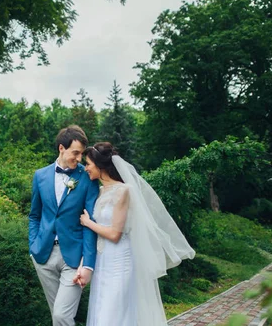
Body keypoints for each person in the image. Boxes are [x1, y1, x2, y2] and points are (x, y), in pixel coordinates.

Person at [74, 142, 195, 325]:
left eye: (89, 164)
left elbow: (115, 233)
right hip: (103, 261)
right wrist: (84, 264)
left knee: (113, 313)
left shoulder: (123, 191)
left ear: (100, 165)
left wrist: (88, 223)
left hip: (119, 261)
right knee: (101, 310)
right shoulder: (98, 192)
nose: (86, 168)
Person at [29, 125, 100, 326]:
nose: (79, 159)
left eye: (81, 154)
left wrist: (87, 263)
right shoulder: (40, 176)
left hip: (74, 258)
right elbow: (34, 215)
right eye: (75, 153)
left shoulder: (87, 177)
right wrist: (32, 247)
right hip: (43, 255)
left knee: (61, 316)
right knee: (57, 316)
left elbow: (90, 222)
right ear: (62, 148)